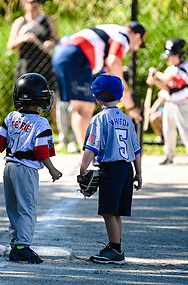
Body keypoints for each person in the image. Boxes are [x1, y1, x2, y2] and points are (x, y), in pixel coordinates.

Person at [0, 73, 63, 264]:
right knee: (27, 209)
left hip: (8, 167)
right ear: (37, 97)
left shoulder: (11, 117)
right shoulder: (41, 123)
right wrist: (52, 169)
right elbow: (41, 151)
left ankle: (15, 244)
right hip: (26, 169)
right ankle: (22, 246)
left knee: (13, 209)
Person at [79, 73, 142, 265]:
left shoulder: (99, 119)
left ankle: (115, 249)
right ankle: (116, 245)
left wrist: (83, 168)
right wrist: (139, 173)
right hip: (126, 170)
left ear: (96, 97)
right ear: (120, 96)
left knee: (108, 211)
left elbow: (92, 147)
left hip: (111, 170)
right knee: (116, 212)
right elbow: (136, 149)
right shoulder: (127, 120)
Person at [52, 22, 146, 149]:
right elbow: (113, 64)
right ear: (136, 35)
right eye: (140, 43)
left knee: (80, 108)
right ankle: (88, 154)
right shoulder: (123, 35)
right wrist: (131, 107)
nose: (137, 48)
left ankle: (86, 153)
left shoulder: (111, 32)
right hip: (76, 56)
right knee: (84, 109)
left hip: (62, 54)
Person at [146, 38, 188, 166]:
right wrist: (154, 82)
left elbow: (174, 80)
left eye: (173, 55)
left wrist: (156, 74)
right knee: (168, 130)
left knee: (185, 129)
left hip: (182, 104)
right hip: (169, 103)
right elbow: (167, 88)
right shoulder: (169, 69)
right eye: (169, 55)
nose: (170, 58)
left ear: (181, 55)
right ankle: (168, 155)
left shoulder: (186, 68)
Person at [7, 0, 59, 89]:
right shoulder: (20, 22)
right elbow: (11, 45)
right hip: (26, 65)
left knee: (49, 95)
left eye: (37, 1)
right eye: (32, 2)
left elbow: (58, 42)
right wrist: (23, 38)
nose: (35, 4)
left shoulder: (47, 20)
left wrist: (51, 44)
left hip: (45, 64)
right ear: (24, 5)